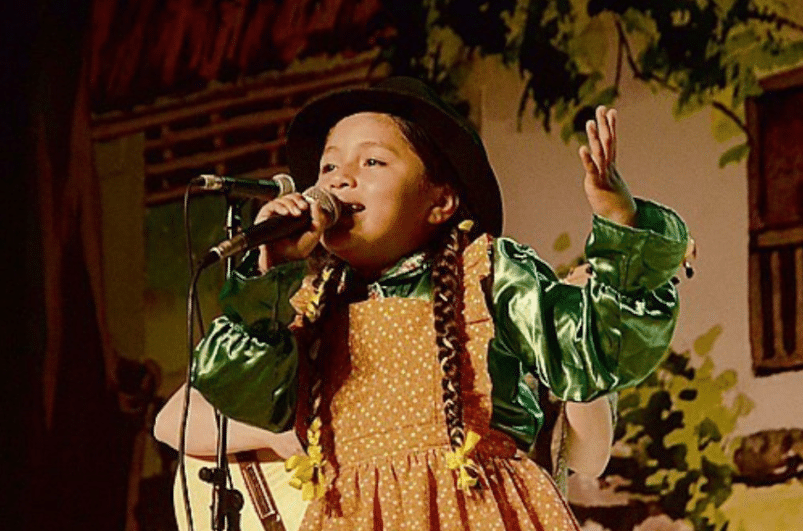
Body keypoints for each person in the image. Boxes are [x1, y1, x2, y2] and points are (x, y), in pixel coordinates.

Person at [183, 76, 688, 530]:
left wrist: (622, 222)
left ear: (440, 201)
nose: (338, 178)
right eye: (329, 165)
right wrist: (270, 271)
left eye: (372, 161)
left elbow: (599, 345)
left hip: (479, 512)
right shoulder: (309, 304)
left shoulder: (487, 274)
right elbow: (236, 393)